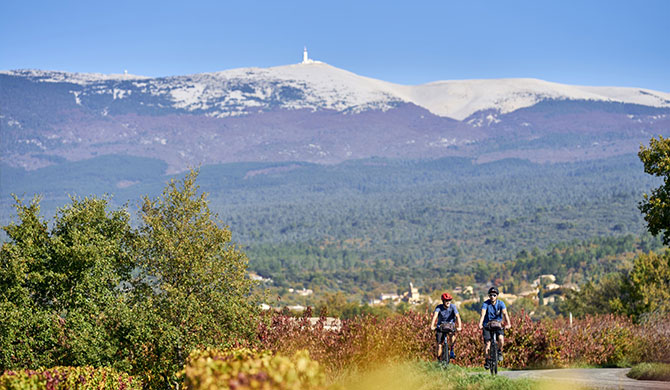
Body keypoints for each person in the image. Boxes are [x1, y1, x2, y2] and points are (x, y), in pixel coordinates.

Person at [478, 286, 511, 369]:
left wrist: (508, 324)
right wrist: (480, 324)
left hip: (497, 324)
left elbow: (505, 314)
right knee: (487, 344)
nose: (492, 297)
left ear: (497, 296)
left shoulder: (501, 303)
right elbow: (483, 314)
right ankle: (487, 360)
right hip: (487, 325)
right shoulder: (486, 304)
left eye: (494, 295)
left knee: (501, 339)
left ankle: (499, 351)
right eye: (491, 295)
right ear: (489, 296)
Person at [430, 292, 462, 360]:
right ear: (443, 301)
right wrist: (432, 325)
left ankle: (452, 349)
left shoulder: (453, 307)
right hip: (441, 326)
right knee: (439, 344)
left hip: (450, 325)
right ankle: (438, 359)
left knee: (451, 335)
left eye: (449, 300)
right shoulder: (439, 307)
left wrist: (459, 326)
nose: (448, 302)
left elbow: (457, 316)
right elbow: (435, 316)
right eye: (446, 300)